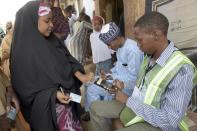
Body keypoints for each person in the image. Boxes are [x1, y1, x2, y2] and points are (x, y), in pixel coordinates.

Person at [89, 12, 197, 131]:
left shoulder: (181, 69)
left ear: (156, 34)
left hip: (159, 124)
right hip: (138, 105)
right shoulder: (148, 57)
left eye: (139, 40)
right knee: (94, 107)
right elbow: (141, 84)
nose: (138, 45)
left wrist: (128, 101)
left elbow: (170, 121)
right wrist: (124, 85)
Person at [10, 1, 93, 131]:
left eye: (51, 20)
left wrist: (80, 75)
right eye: (47, 21)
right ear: (32, 20)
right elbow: (26, 92)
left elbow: (67, 59)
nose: (52, 25)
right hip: (50, 112)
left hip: (68, 99)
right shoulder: (22, 54)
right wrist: (53, 94)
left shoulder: (52, 40)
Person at [84, 22, 143, 120]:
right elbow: (118, 68)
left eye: (109, 44)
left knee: (92, 89)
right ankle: (93, 112)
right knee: (90, 82)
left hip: (126, 88)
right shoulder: (120, 48)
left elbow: (134, 79)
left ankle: (97, 116)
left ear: (116, 38)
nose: (108, 47)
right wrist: (107, 75)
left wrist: (112, 79)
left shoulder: (132, 50)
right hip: (115, 81)